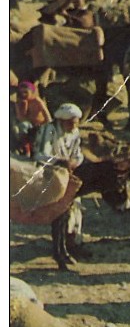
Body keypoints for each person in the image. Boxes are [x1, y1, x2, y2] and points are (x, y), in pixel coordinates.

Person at [33, 103, 85, 271]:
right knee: (59, 215)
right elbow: (40, 155)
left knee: (72, 212)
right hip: (48, 172)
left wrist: (74, 162)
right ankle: (58, 252)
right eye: (71, 123)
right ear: (62, 121)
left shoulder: (75, 132)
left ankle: (68, 247)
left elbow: (78, 154)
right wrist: (60, 161)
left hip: (67, 174)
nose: (74, 126)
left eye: (76, 123)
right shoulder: (49, 130)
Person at [13, 80, 52, 157]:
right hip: (30, 125)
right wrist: (24, 106)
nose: (23, 95)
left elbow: (45, 112)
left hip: (41, 124)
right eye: (21, 93)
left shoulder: (37, 101)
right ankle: (26, 150)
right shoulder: (20, 102)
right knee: (22, 127)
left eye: (26, 92)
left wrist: (49, 123)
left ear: (32, 92)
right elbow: (21, 118)